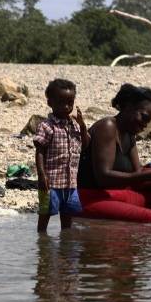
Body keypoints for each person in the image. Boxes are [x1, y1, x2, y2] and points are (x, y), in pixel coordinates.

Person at [77, 83, 151, 223]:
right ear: (128, 106)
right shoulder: (108, 127)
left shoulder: (129, 134)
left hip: (114, 195)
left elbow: (137, 173)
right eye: (143, 118)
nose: (144, 126)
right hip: (89, 198)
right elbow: (103, 177)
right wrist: (150, 174)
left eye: (147, 122)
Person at [34, 79, 90, 232]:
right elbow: (39, 151)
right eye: (60, 103)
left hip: (70, 183)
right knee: (45, 213)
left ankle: (66, 245)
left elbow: (85, 145)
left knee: (68, 216)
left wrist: (83, 126)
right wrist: (41, 175)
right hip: (51, 182)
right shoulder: (46, 126)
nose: (66, 107)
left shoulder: (76, 125)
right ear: (50, 102)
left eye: (69, 103)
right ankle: (42, 243)